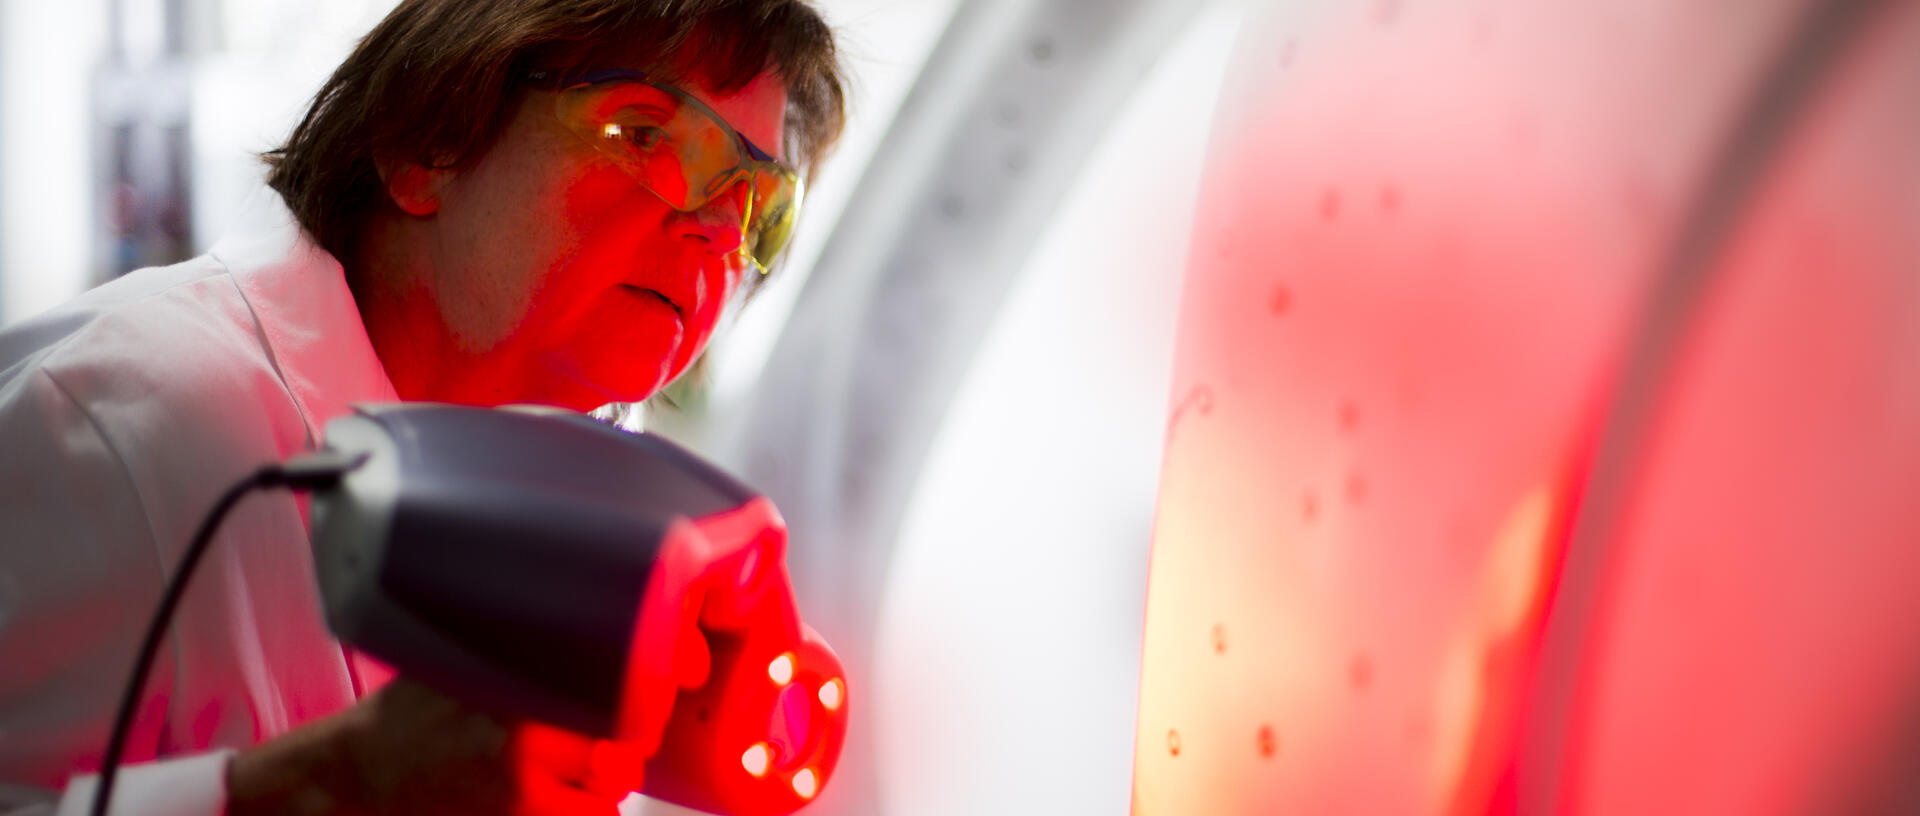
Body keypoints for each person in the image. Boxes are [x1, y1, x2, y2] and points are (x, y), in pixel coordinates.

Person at [0, 1, 846, 814]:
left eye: (751, 196)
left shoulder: (554, 511)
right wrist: (318, 790)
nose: (712, 225)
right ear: (429, 143)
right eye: (647, 133)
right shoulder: (131, 421)